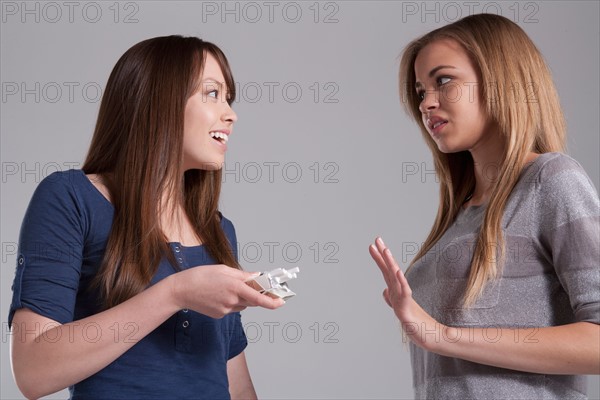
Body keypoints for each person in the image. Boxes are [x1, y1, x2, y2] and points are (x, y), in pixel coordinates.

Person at [9, 35, 284, 400]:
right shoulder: (71, 199)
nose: (230, 114)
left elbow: (237, 385)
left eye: (228, 98)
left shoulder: (219, 232)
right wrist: (176, 292)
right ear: (159, 101)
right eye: (213, 94)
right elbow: (33, 369)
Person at [369, 13, 599, 399]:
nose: (426, 103)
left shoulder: (551, 180)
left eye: (443, 81)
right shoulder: (461, 215)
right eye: (421, 90)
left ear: (501, 79)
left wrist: (442, 336)